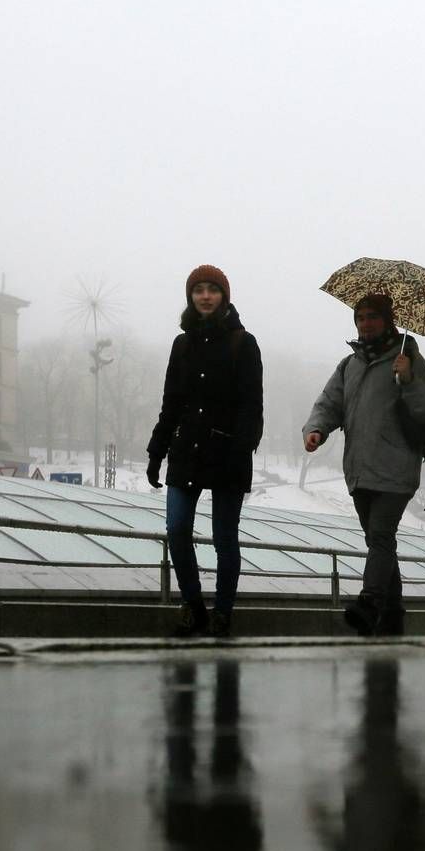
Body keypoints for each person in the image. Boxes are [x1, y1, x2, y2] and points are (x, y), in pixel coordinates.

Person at [303, 293, 425, 635]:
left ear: (388, 320)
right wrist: (316, 429)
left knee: (380, 535)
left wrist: (407, 379)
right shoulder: (350, 364)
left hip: (397, 466)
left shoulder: (408, 358)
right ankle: (393, 616)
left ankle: (370, 603)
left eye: (373, 316)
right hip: (359, 468)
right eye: (360, 317)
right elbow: (329, 402)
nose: (366, 323)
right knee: (379, 542)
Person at [147, 264, 263, 639]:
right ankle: (193, 605)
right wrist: (156, 450)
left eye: (213, 289)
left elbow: (252, 406)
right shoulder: (182, 344)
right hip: (187, 450)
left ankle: (223, 612)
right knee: (177, 528)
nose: (206, 296)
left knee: (224, 537)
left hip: (228, 452)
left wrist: (241, 449)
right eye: (199, 290)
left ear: (224, 296)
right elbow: (171, 403)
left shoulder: (243, 343)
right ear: (190, 296)